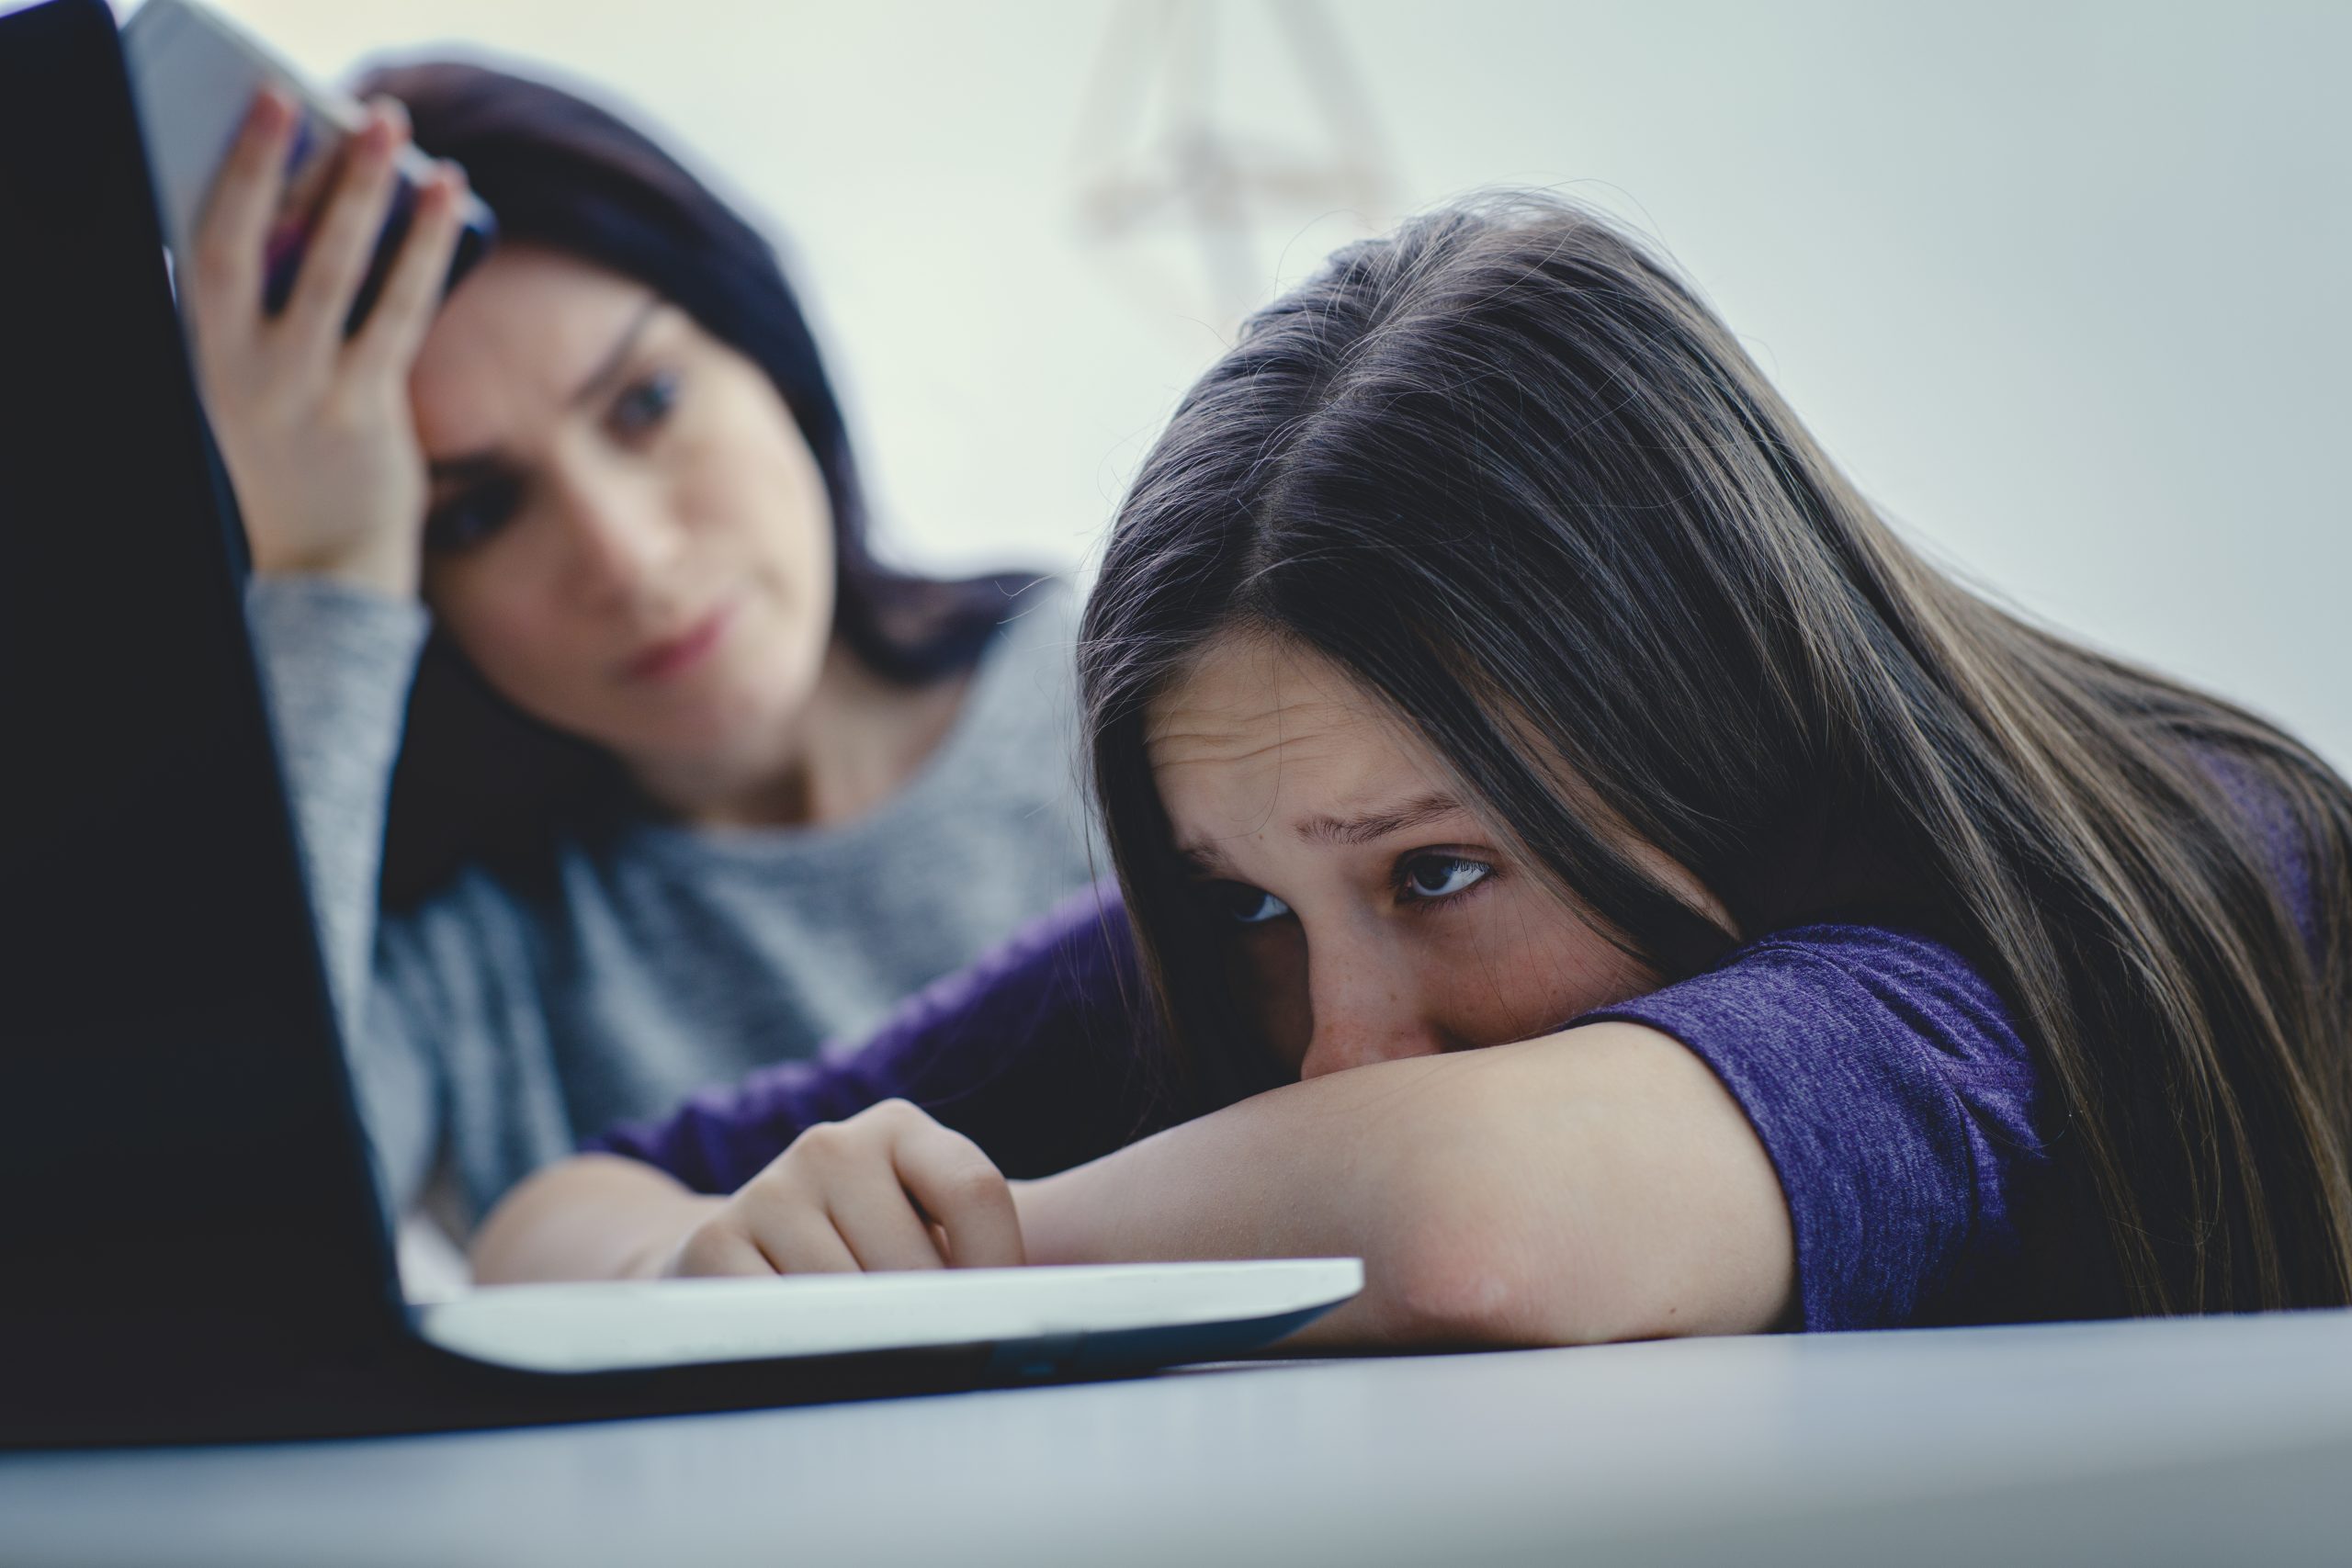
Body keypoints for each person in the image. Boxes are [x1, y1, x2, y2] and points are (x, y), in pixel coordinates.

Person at [468, 196, 2352, 1345]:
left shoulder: (2128, 887)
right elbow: (561, 1212)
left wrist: (920, 1263)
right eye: (1246, 902)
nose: (1333, 1046)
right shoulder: (1292, 944)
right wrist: (724, 1257)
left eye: (1437, 874)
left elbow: (1468, 1223)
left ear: (1707, 728)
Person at [188, 67, 1099, 1235]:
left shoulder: (1160, 704)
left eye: (646, 401)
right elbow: (226, 1240)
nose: (622, 555)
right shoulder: (465, 957)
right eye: (474, 513)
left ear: (765, 349)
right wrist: (321, 578)